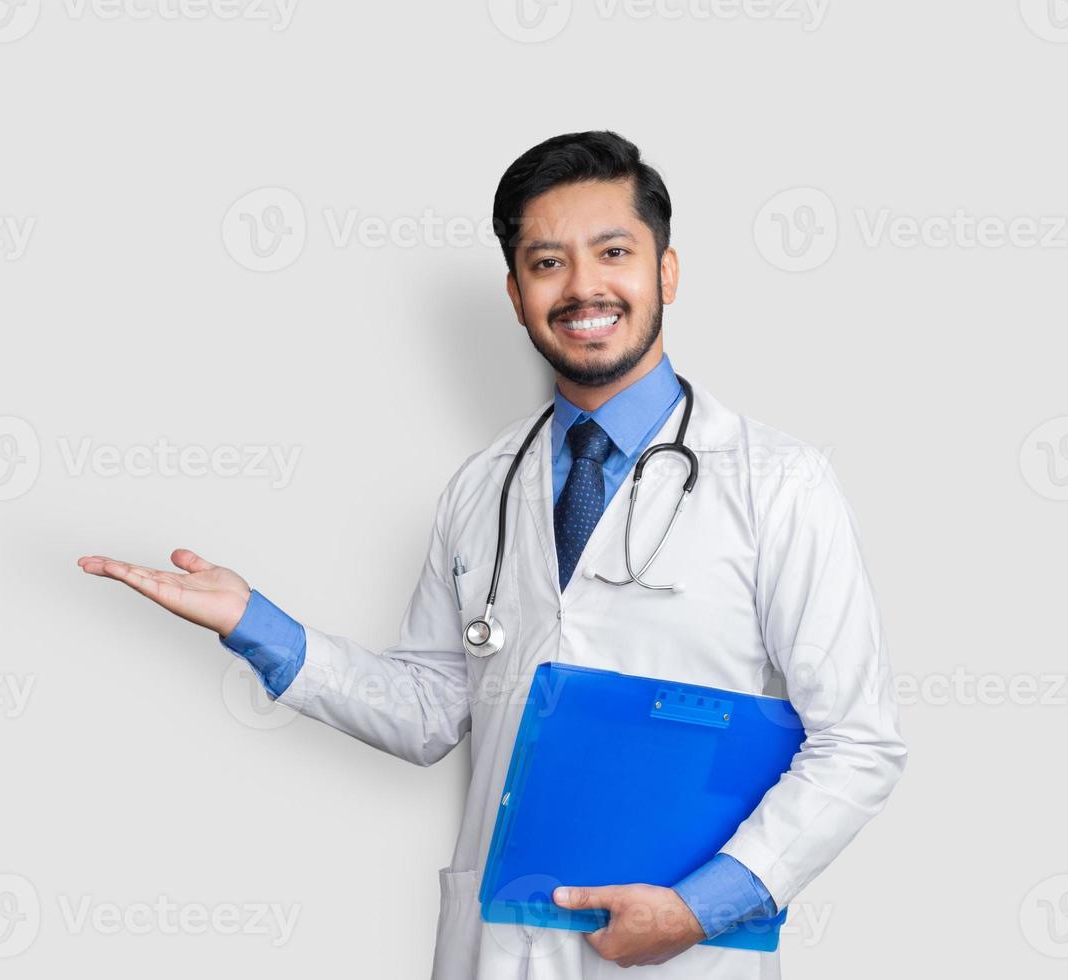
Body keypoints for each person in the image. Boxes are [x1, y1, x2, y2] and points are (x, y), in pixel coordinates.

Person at [78, 130, 907, 979]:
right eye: (548, 263)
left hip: (682, 952)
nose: (584, 286)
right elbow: (430, 710)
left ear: (666, 271)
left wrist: (703, 906)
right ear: (516, 294)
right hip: (501, 950)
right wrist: (257, 625)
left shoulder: (780, 482)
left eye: (613, 252)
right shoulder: (482, 486)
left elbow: (858, 742)